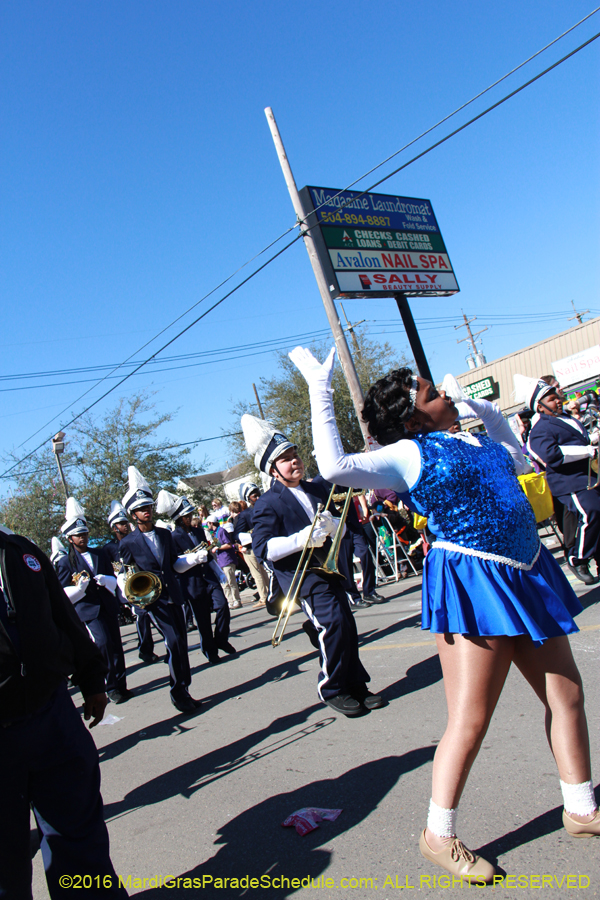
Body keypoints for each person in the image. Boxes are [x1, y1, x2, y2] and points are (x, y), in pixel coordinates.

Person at [290, 346, 599, 881]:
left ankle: (580, 805)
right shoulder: (410, 452)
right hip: (474, 580)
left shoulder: (472, 435)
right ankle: (439, 832)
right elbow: (334, 467)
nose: (445, 394)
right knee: (471, 717)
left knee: (566, 691)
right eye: (432, 394)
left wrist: (499, 421)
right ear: (412, 418)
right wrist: (321, 391)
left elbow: (523, 465)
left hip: (526, 570)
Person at [0, 526, 128, 899]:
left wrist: (92, 679)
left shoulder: (18, 549)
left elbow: (61, 614)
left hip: (52, 717)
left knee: (79, 836)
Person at [244, 413, 384, 718]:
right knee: (332, 624)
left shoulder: (317, 490)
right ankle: (331, 687)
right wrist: (303, 538)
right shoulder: (267, 503)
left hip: (330, 570)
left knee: (346, 625)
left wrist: (333, 526)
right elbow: (264, 549)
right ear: (272, 469)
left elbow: (343, 525)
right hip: (301, 577)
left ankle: (356, 684)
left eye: (295, 455)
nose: (294, 461)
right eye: (285, 459)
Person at [117, 467, 203, 714]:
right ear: (134, 515)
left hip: (174, 594)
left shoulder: (165, 534)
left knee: (183, 642)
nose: (147, 511)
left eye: (149, 507)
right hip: (153, 600)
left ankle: (184, 689)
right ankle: (177, 692)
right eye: (142, 509)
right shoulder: (128, 543)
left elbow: (174, 564)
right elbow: (126, 575)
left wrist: (195, 559)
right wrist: (133, 598)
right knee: (173, 641)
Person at [525, 375, 600, 586]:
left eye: (556, 396)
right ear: (539, 407)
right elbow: (551, 455)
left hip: (588, 476)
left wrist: (592, 439)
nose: (557, 400)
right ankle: (578, 558)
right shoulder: (540, 429)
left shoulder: (568, 418)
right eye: (550, 399)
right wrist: (587, 450)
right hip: (570, 482)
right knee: (591, 511)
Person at [55, 497, 131, 704]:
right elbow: (61, 591)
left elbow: (113, 579)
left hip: (107, 604)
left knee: (116, 645)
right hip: (88, 609)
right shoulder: (64, 562)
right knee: (103, 644)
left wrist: (107, 580)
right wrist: (78, 589)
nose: (83, 538)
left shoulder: (99, 554)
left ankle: (122, 686)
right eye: (78, 536)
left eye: (85, 534)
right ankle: (110, 686)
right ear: (70, 539)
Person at [156, 490, 236, 662]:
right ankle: (210, 651)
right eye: (186, 515)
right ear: (178, 518)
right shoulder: (172, 537)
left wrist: (217, 571)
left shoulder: (199, 531)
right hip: (192, 583)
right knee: (203, 621)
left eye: (190, 513)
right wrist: (192, 559)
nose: (190, 517)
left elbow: (207, 553)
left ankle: (221, 639)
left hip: (208, 577)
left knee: (223, 606)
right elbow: (175, 563)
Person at [103, 499, 158, 664]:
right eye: (120, 524)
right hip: (125, 586)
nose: (125, 526)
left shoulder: (134, 539)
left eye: (125, 522)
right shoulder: (108, 548)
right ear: (114, 528)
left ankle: (159, 645)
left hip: (143, 581)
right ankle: (145, 649)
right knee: (142, 616)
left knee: (151, 615)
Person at [232, 482, 271, 606]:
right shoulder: (245, 514)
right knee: (257, 573)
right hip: (250, 548)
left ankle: (268, 595)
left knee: (264, 572)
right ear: (248, 498)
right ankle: (264, 596)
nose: (258, 498)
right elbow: (237, 534)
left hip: (265, 545)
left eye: (259, 494)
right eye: (254, 496)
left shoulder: (266, 507)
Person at [205, 515, 243, 609]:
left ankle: (236, 600)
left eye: (208, 523)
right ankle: (230, 601)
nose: (207, 525)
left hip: (227, 559)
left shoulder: (221, 531)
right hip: (220, 560)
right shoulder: (213, 533)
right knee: (224, 583)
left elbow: (229, 545)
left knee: (231, 581)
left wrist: (218, 547)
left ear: (211, 523)